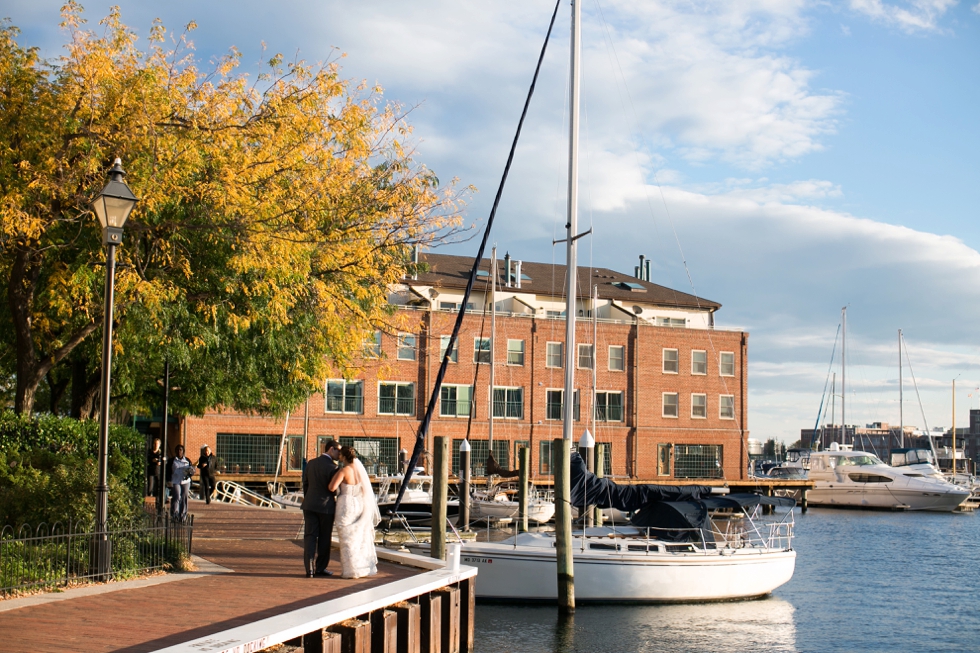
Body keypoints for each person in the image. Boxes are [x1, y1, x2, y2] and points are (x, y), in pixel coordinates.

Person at [328, 445, 380, 579]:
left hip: (346, 504)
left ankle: (350, 570)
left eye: (340, 455)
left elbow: (332, 487)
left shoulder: (344, 471)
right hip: (359, 504)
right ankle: (361, 567)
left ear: (344, 457)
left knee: (346, 537)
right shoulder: (359, 470)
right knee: (357, 536)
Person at [300, 439, 340, 578]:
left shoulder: (311, 463)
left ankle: (309, 569)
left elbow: (305, 484)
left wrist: (309, 498)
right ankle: (320, 568)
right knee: (324, 538)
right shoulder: (333, 468)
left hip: (309, 505)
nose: (339, 454)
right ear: (331, 449)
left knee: (309, 536)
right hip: (326, 507)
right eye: (338, 450)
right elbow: (334, 489)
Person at [167, 445, 194, 522]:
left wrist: (190, 472)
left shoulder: (187, 460)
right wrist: (168, 480)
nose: (179, 451)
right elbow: (168, 471)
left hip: (185, 481)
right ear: (175, 451)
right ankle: (175, 514)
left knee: (184, 497)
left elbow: (191, 470)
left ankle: (183, 515)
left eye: (181, 450)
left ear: (183, 451)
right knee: (176, 496)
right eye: (177, 450)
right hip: (176, 481)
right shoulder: (172, 461)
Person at [147, 438, 162, 504]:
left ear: (159, 445)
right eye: (155, 444)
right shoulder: (150, 452)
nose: (156, 445)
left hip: (158, 471)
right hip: (151, 470)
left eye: (157, 444)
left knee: (158, 486)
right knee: (150, 485)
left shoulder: (161, 453)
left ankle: (158, 500)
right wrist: (152, 460)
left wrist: (160, 462)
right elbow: (147, 459)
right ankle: (149, 499)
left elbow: (165, 459)